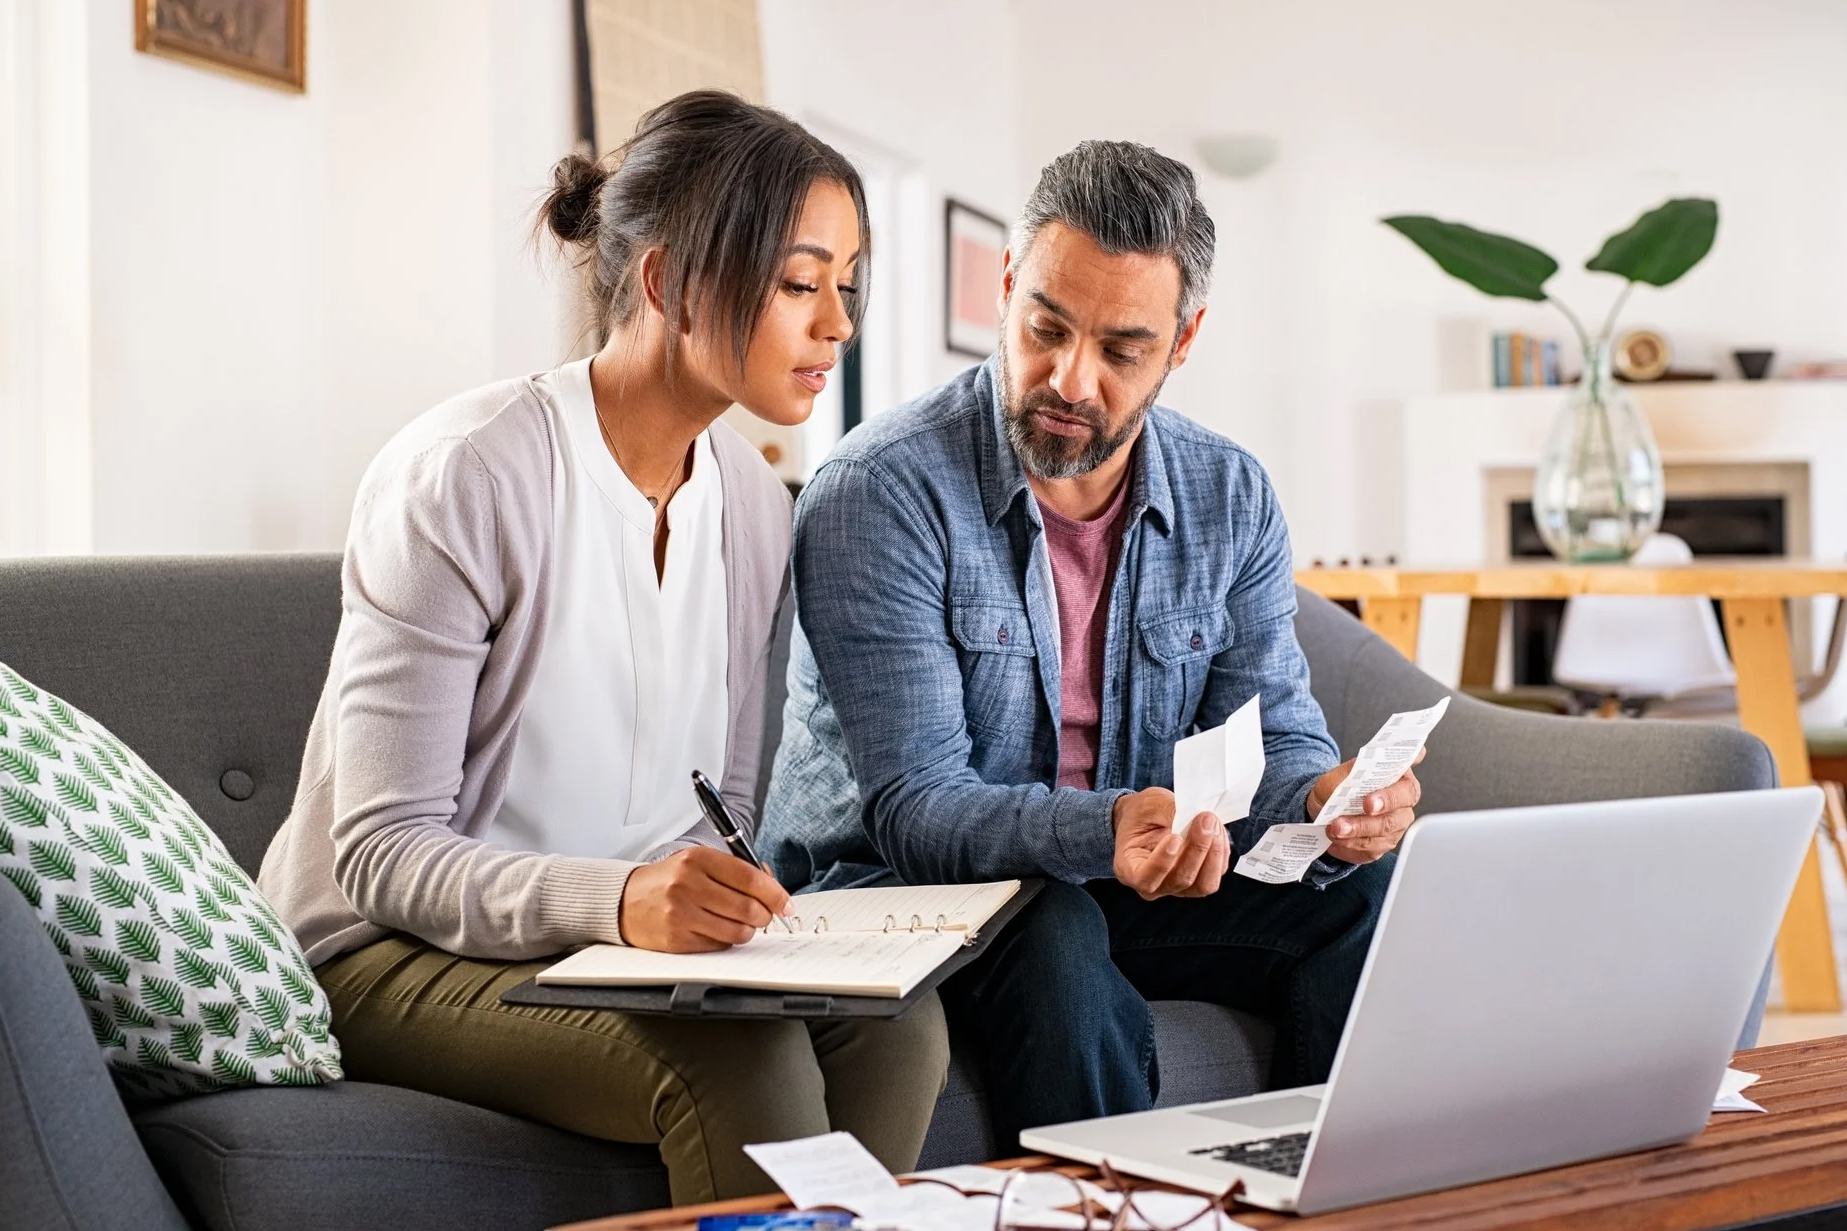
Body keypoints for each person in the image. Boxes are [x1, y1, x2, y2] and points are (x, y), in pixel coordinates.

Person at [258, 90, 949, 1205]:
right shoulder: (468, 475)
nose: (837, 324)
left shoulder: (759, 509)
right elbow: (380, 854)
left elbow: (713, 806)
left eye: (847, 285)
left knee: (899, 1025)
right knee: (745, 1055)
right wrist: (622, 902)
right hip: (388, 954)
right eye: (798, 282)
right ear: (669, 282)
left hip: (615, 952)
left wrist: (728, 909)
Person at [760, 140, 1423, 1152]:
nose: (1069, 379)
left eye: (1120, 350)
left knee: (1362, 896)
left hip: (1115, 872)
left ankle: (1314, 1198)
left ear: (1181, 340)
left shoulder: (1228, 494)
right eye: (1044, 329)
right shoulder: (881, 491)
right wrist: (1108, 827)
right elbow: (915, 811)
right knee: (1055, 930)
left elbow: (1273, 732)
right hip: (896, 893)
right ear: (1004, 287)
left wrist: (1322, 798)